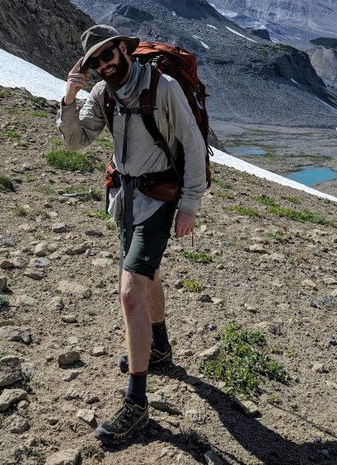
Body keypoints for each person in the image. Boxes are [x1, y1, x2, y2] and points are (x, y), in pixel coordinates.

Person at [58, 24, 207, 445]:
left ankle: (136, 402)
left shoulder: (163, 88)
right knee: (147, 273)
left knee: (129, 292)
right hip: (125, 197)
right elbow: (74, 142)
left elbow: (193, 145)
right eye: (96, 62)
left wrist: (190, 205)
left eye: (109, 55)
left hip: (159, 198)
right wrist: (70, 98)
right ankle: (159, 347)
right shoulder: (102, 93)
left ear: (124, 50)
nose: (105, 64)